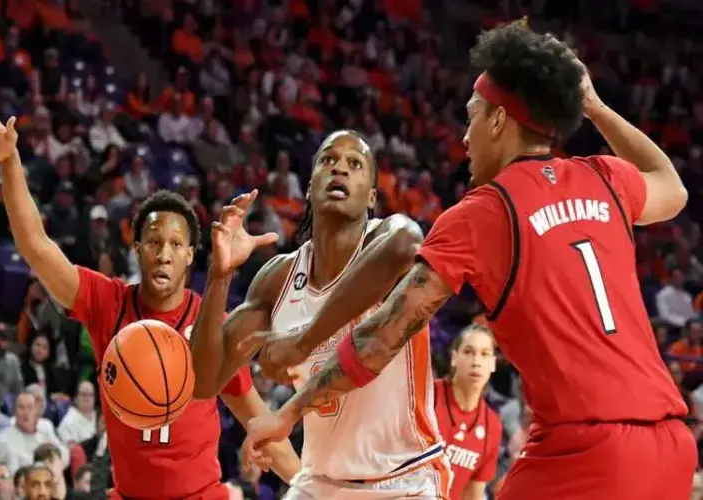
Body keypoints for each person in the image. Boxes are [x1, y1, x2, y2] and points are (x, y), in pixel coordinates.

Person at [240, 21, 696, 500]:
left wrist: (287, 412)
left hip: (587, 451)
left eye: (471, 117)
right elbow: (673, 187)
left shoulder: (483, 212)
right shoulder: (605, 178)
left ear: (498, 120)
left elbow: (379, 338)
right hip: (670, 445)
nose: (463, 138)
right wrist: (595, 107)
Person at [0, 95, 300, 499]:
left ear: (191, 255)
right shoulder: (108, 301)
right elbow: (35, 245)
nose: (164, 253)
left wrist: (317, 488)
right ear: (136, 247)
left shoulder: (212, 323)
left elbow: (259, 420)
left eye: (176, 243)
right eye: (153, 241)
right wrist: (9, 160)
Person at [192, 129, 450, 498]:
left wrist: (303, 340)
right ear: (310, 186)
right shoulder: (277, 278)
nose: (339, 170)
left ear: (372, 196)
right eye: (328, 161)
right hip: (320, 482)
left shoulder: (387, 240)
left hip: (404, 478)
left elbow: (407, 243)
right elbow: (203, 382)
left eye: (355, 164)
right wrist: (220, 275)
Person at [434, 325, 501, 500]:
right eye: (468, 352)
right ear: (454, 358)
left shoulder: (492, 426)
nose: (476, 362)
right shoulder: (428, 396)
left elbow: (473, 495)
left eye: (484, 354)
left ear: (493, 364)